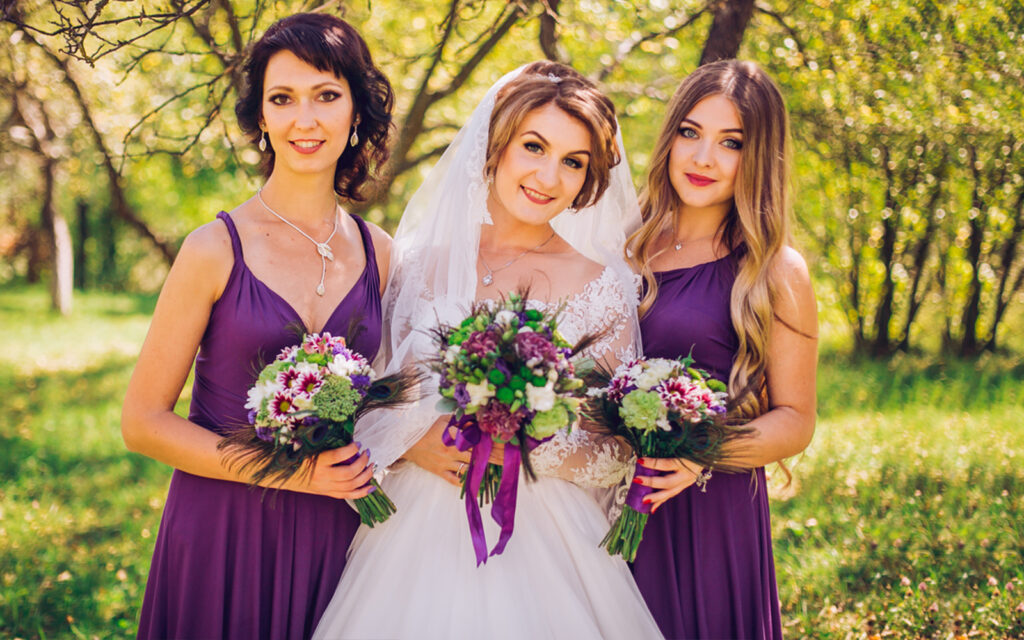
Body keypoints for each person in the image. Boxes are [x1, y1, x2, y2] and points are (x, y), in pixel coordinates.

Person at [312, 62, 662, 639]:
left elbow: (619, 448)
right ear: (495, 144)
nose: (548, 176)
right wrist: (410, 443)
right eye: (534, 146)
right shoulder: (420, 261)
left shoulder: (604, 286)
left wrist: (529, 443)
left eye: (573, 162)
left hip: (544, 533)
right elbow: (373, 394)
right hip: (412, 530)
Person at [120, 13, 394, 638]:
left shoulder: (381, 252)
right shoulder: (214, 248)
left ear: (356, 112)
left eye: (327, 96)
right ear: (261, 118)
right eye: (283, 99)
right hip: (223, 527)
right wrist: (295, 472)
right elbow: (142, 423)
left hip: (337, 535)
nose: (305, 119)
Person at [626, 59, 818, 639]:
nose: (703, 158)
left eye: (730, 142)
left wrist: (700, 454)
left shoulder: (774, 270)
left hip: (707, 511)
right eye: (690, 132)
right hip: (602, 499)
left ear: (757, 157)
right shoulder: (624, 240)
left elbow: (796, 420)